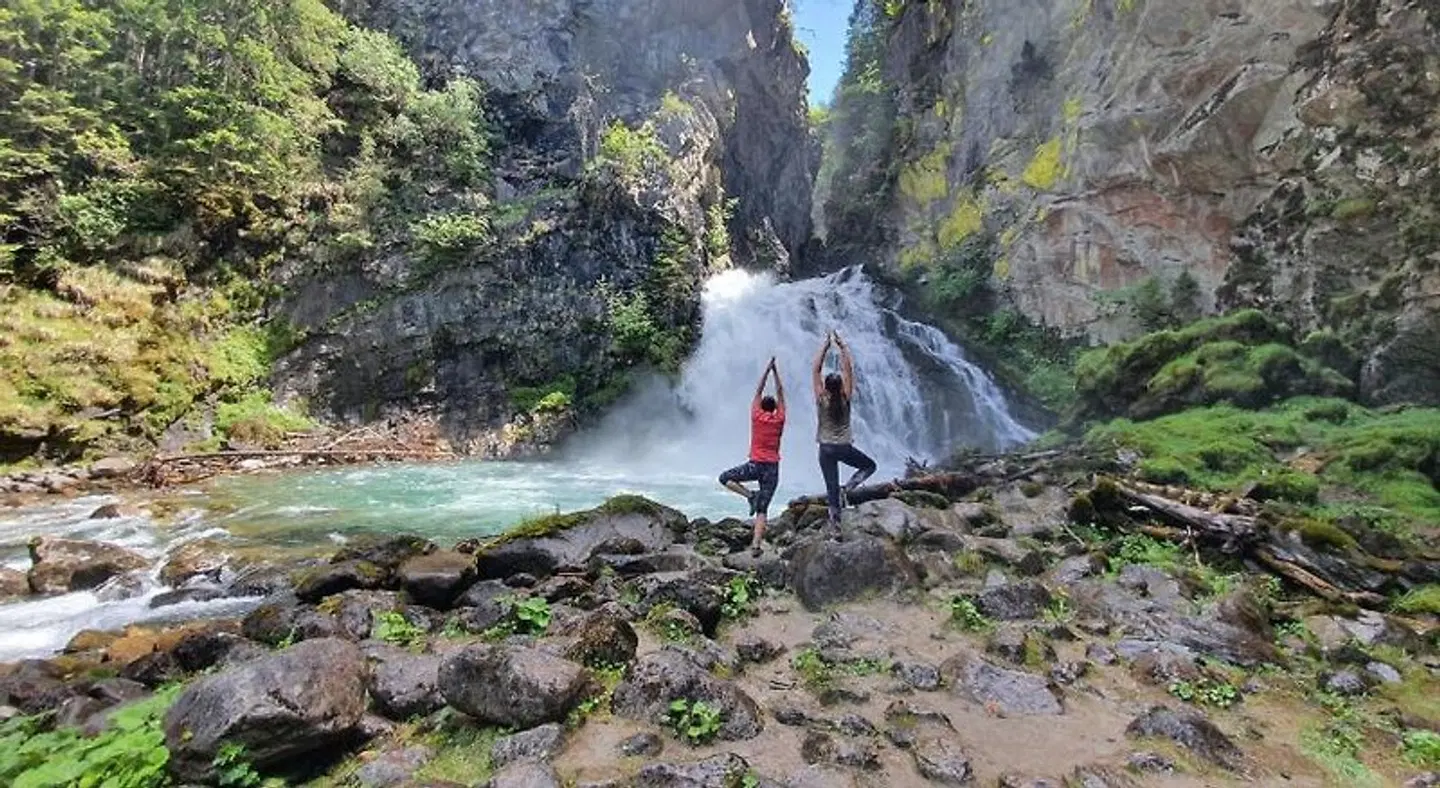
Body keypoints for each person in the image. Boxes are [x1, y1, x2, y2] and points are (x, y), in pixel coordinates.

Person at [719, 357, 786, 555]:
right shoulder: (780, 419)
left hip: (755, 465)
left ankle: (750, 496)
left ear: (761, 407)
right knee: (763, 509)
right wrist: (776, 373)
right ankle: (756, 545)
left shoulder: (756, 416)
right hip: (772, 469)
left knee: (724, 478)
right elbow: (781, 392)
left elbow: (758, 391)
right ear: (775, 408)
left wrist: (767, 370)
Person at [813, 330, 876, 527]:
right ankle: (848, 488)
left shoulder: (821, 399)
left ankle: (836, 526)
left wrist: (825, 346)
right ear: (841, 387)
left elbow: (815, 370)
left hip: (825, 448)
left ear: (825, 387)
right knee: (869, 466)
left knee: (831, 487)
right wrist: (843, 347)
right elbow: (849, 371)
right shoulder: (845, 398)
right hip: (843, 447)